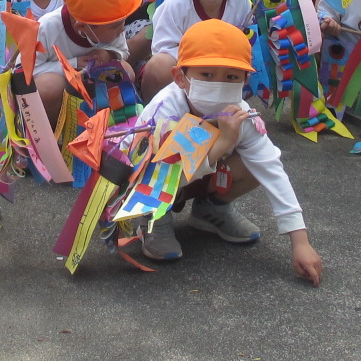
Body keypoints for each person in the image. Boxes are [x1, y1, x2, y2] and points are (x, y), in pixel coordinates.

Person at [135, 20, 324, 283]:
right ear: (180, 77)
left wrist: (300, 241)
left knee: (257, 160)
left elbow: (271, 168)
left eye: (231, 77)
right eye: (207, 75)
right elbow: (151, 177)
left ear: (246, 80)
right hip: (156, 185)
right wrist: (221, 145)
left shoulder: (241, 114)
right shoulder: (164, 111)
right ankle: (154, 220)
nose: (219, 84)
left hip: (198, 180)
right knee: (158, 170)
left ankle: (211, 210)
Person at [31, 0, 139, 121]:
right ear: (82, 26)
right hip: (59, 93)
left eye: (123, 22)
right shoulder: (47, 28)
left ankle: (111, 127)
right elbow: (28, 72)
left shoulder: (113, 23)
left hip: (94, 89)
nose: (122, 30)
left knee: (125, 72)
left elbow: (123, 51)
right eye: (116, 26)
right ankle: (55, 138)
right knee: (48, 87)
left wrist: (108, 54)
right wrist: (73, 64)